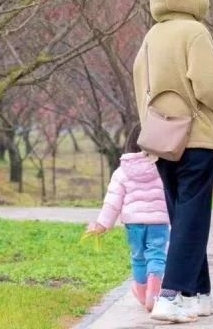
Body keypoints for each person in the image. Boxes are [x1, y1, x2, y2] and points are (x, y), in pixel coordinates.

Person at [134, 0, 213, 324]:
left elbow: (140, 83)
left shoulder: (152, 35)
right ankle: (170, 296)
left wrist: (151, 123)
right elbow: (208, 85)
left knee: (185, 216)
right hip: (196, 137)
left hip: (162, 139)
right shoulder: (195, 32)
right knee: (193, 217)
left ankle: (198, 295)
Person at [87, 124, 170, 312]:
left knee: (138, 258)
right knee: (157, 255)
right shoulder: (164, 167)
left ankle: (142, 293)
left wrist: (102, 224)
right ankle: (154, 295)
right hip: (158, 222)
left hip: (134, 224)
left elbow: (112, 202)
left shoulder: (122, 171)